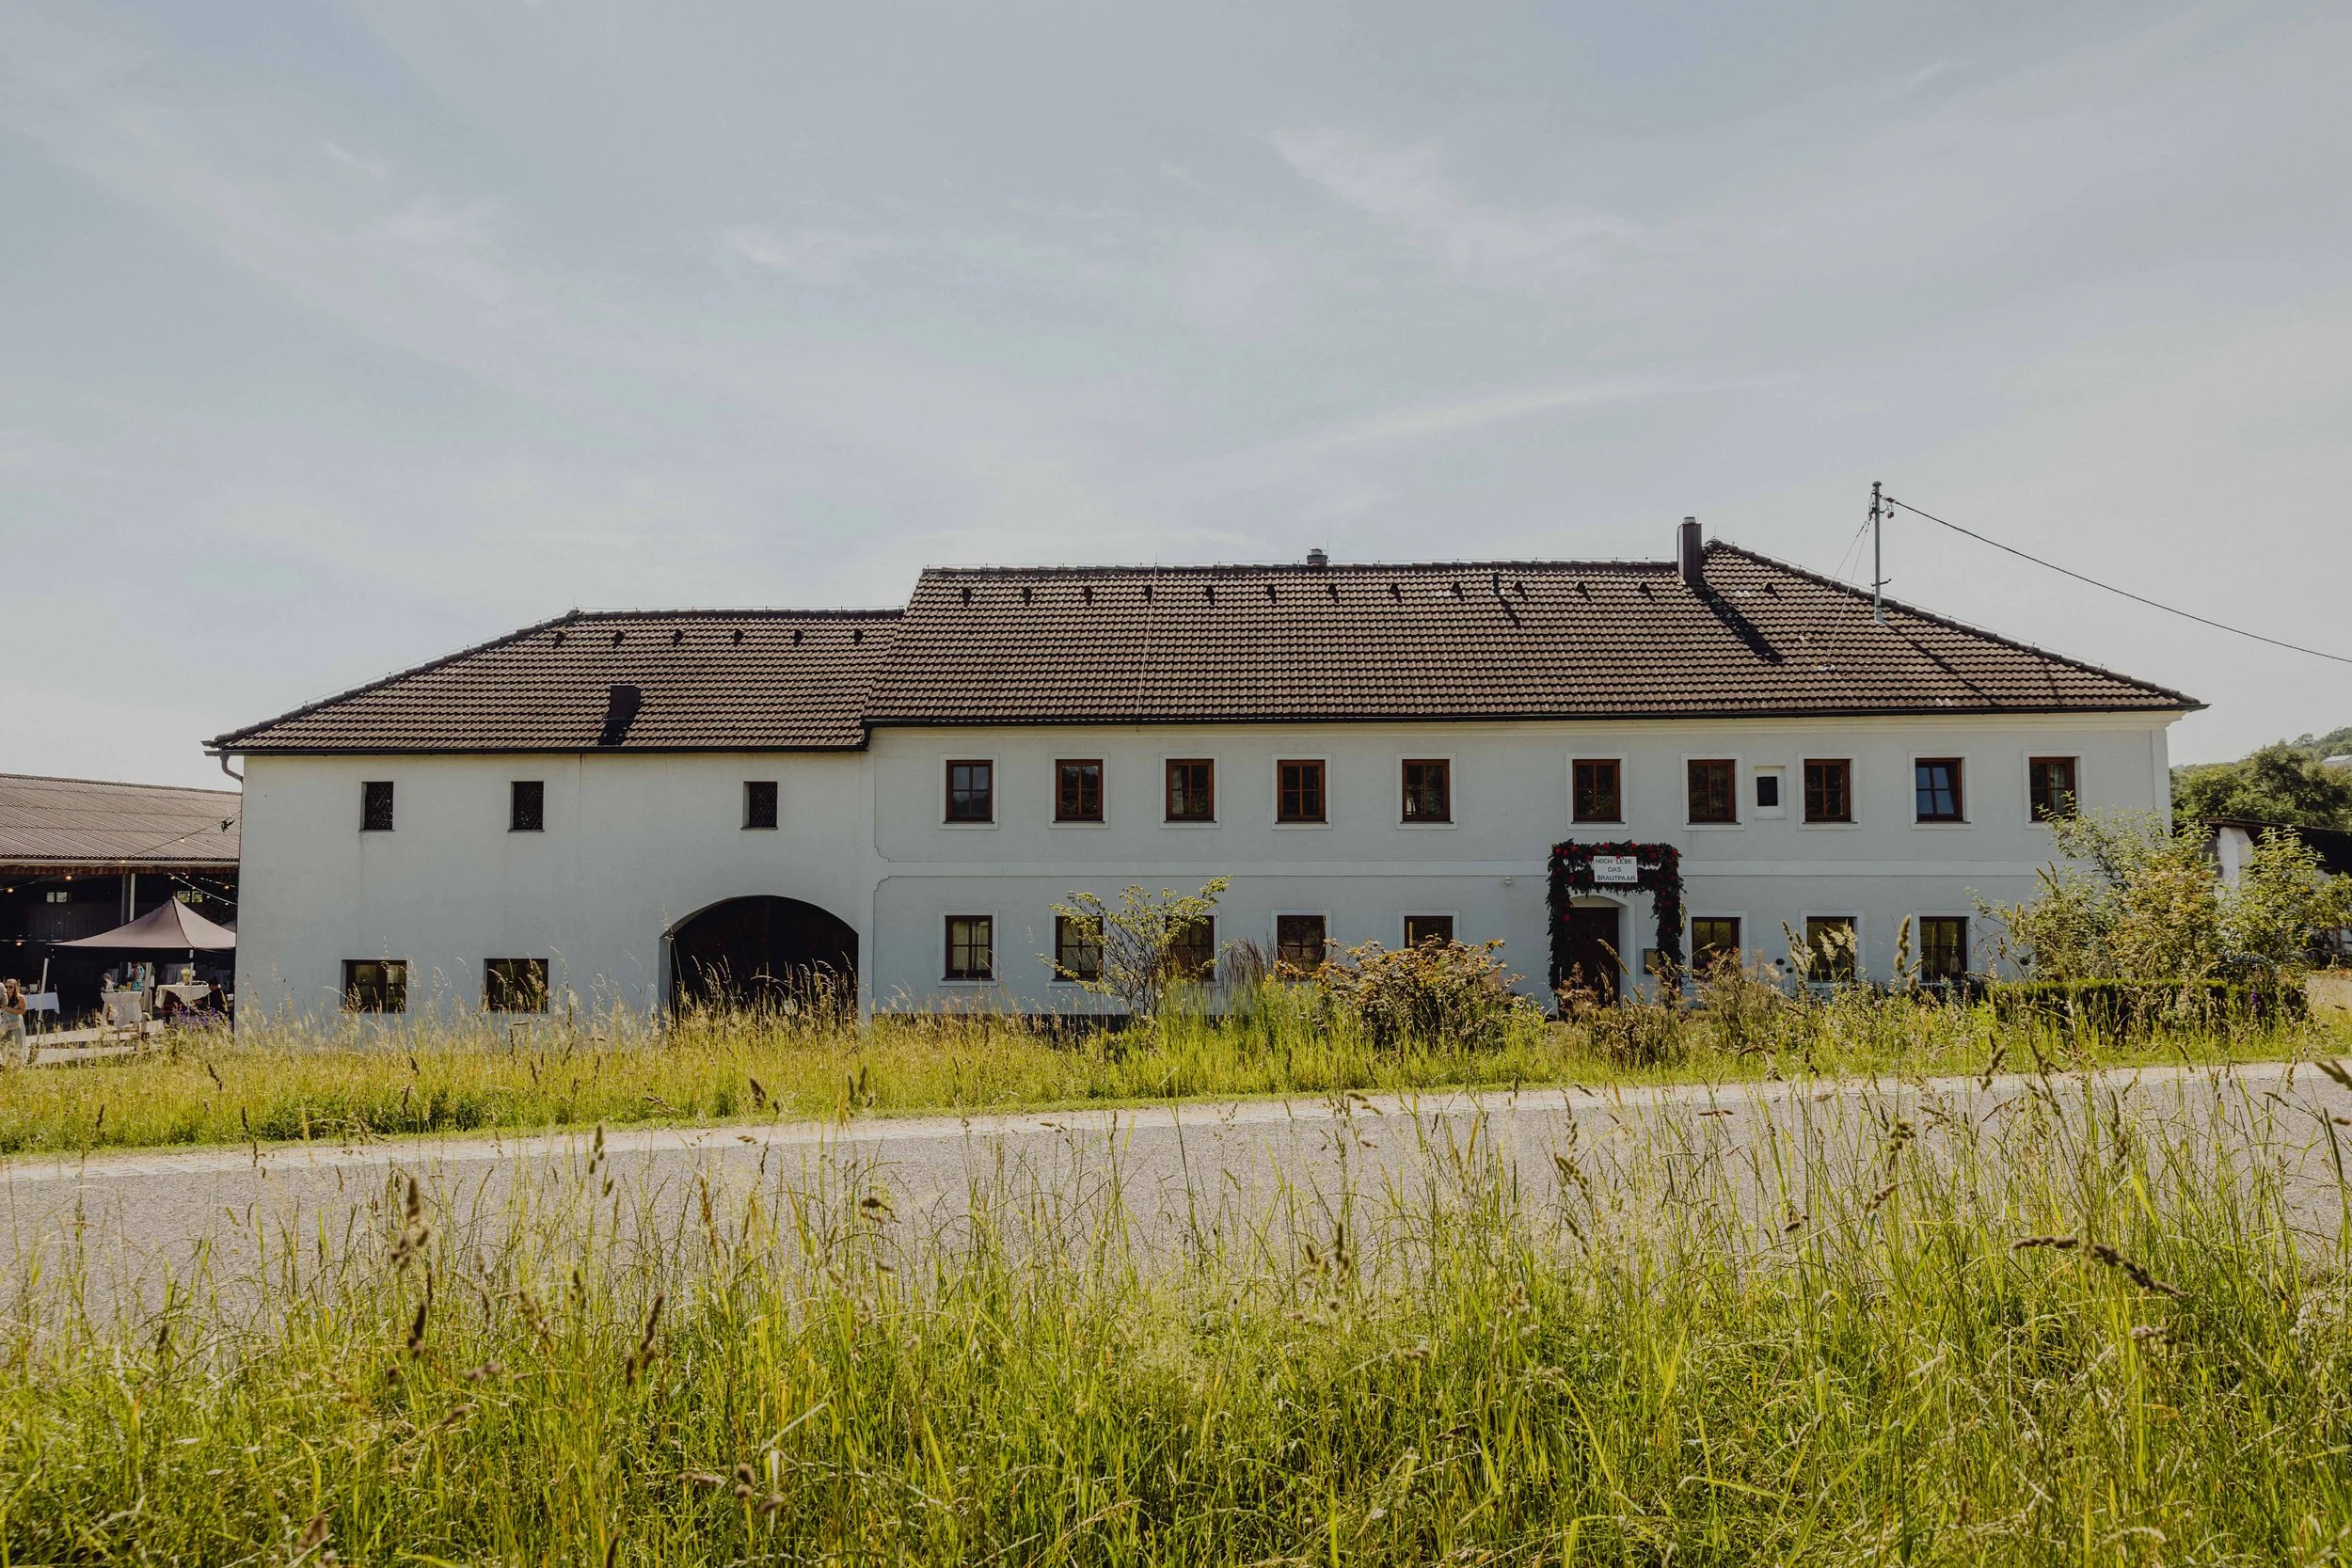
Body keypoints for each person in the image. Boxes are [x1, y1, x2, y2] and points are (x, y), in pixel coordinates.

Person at [1, 979, 26, 1068]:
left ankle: (18, 1065)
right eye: (6, 986)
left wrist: (9, 1009)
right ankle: (8, 1063)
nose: (8, 988)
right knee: (5, 1042)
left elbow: (22, 1011)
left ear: (15, 987)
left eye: (10, 986)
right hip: (5, 1022)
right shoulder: (3, 997)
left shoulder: (20, 997)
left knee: (18, 1043)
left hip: (16, 1022)